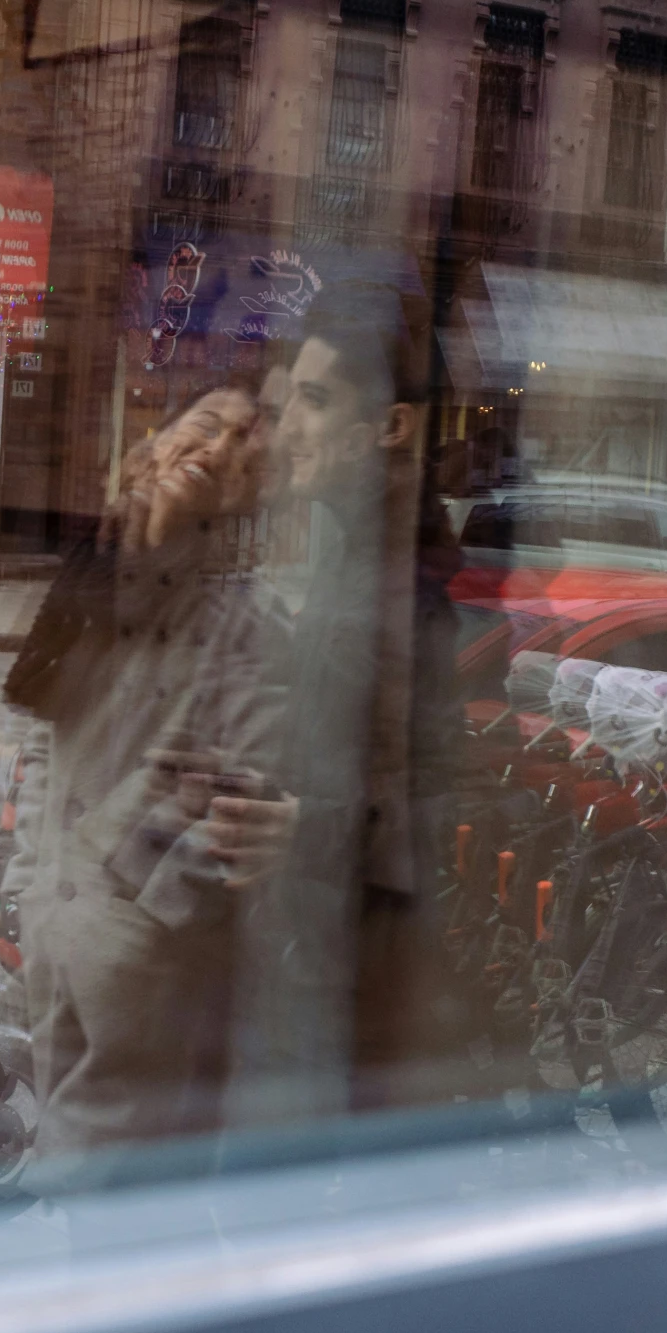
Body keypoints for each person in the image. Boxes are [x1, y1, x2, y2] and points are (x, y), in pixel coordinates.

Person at [0, 383, 287, 1179]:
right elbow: (45, 745)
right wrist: (32, 887)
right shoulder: (89, 580)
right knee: (73, 1169)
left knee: (120, 1190)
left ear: (251, 493)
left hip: (140, 966)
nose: (218, 448)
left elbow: (237, 787)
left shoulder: (246, 624)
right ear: (153, 445)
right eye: (206, 426)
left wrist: (124, 926)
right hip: (56, 931)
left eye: (244, 448)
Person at [211, 285, 463, 1126]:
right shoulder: (350, 559)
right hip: (309, 954)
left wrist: (300, 826)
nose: (289, 431)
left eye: (314, 402)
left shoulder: (404, 587)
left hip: (349, 977)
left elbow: (434, 794)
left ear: (387, 428)